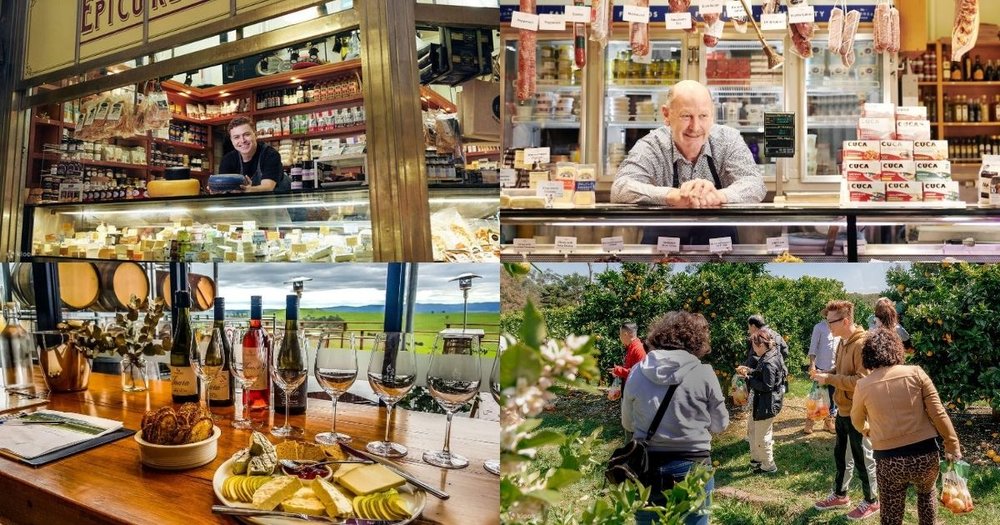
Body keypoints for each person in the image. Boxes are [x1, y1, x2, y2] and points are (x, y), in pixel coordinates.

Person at [621, 311, 729, 525]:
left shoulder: (636, 372)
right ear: (697, 341)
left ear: (658, 337)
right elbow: (720, 425)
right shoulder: (704, 373)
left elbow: (627, 423)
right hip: (692, 466)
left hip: (646, 467)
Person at [851, 328, 962, 525]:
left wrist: (867, 430)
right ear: (896, 349)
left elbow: (856, 419)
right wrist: (952, 444)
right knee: (927, 495)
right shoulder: (916, 372)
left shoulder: (863, 385)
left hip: (889, 460)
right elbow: (938, 413)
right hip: (925, 455)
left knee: (891, 511)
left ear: (867, 354)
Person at [611, 80, 765, 209]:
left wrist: (718, 196)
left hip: (719, 242)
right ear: (666, 115)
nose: (695, 127)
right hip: (665, 241)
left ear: (712, 114)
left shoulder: (728, 140)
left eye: (703, 116)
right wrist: (672, 195)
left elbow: (755, 184)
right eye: (686, 116)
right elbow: (621, 188)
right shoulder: (652, 145)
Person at [811, 300, 881, 521]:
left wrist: (830, 378)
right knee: (841, 455)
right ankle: (840, 494)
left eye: (831, 321)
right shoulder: (842, 342)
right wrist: (826, 372)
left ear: (846, 321)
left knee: (862, 457)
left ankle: (872, 501)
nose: (828, 325)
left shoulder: (861, 345)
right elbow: (842, 371)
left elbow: (863, 380)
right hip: (842, 409)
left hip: (858, 411)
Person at [736, 329, 785, 474]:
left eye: (754, 346)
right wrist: (750, 371)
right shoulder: (768, 354)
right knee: (752, 429)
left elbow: (767, 386)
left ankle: (768, 466)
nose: (752, 349)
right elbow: (761, 373)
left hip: (766, 404)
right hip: (760, 402)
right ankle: (757, 459)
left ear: (761, 345)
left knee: (762, 436)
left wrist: (748, 378)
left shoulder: (769, 361)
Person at [218, 116, 290, 193]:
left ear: (255, 134)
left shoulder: (270, 154)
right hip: (245, 203)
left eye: (246, 134)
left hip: (278, 201)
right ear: (232, 140)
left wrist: (247, 190)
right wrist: (218, 190)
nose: (242, 140)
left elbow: (268, 187)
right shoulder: (228, 159)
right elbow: (224, 189)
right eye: (236, 137)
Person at [807, 308, 840, 434]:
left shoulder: (838, 328)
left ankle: (828, 422)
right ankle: (810, 421)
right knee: (816, 396)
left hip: (834, 369)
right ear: (826, 315)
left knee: (832, 396)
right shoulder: (819, 327)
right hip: (820, 368)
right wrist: (812, 365)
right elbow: (813, 347)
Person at [608, 322, 647, 401]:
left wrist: (618, 370)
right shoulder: (631, 347)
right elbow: (630, 368)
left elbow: (639, 373)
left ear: (625, 334)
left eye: (620, 334)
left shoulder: (638, 349)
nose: (620, 337)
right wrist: (618, 373)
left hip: (636, 396)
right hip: (630, 393)